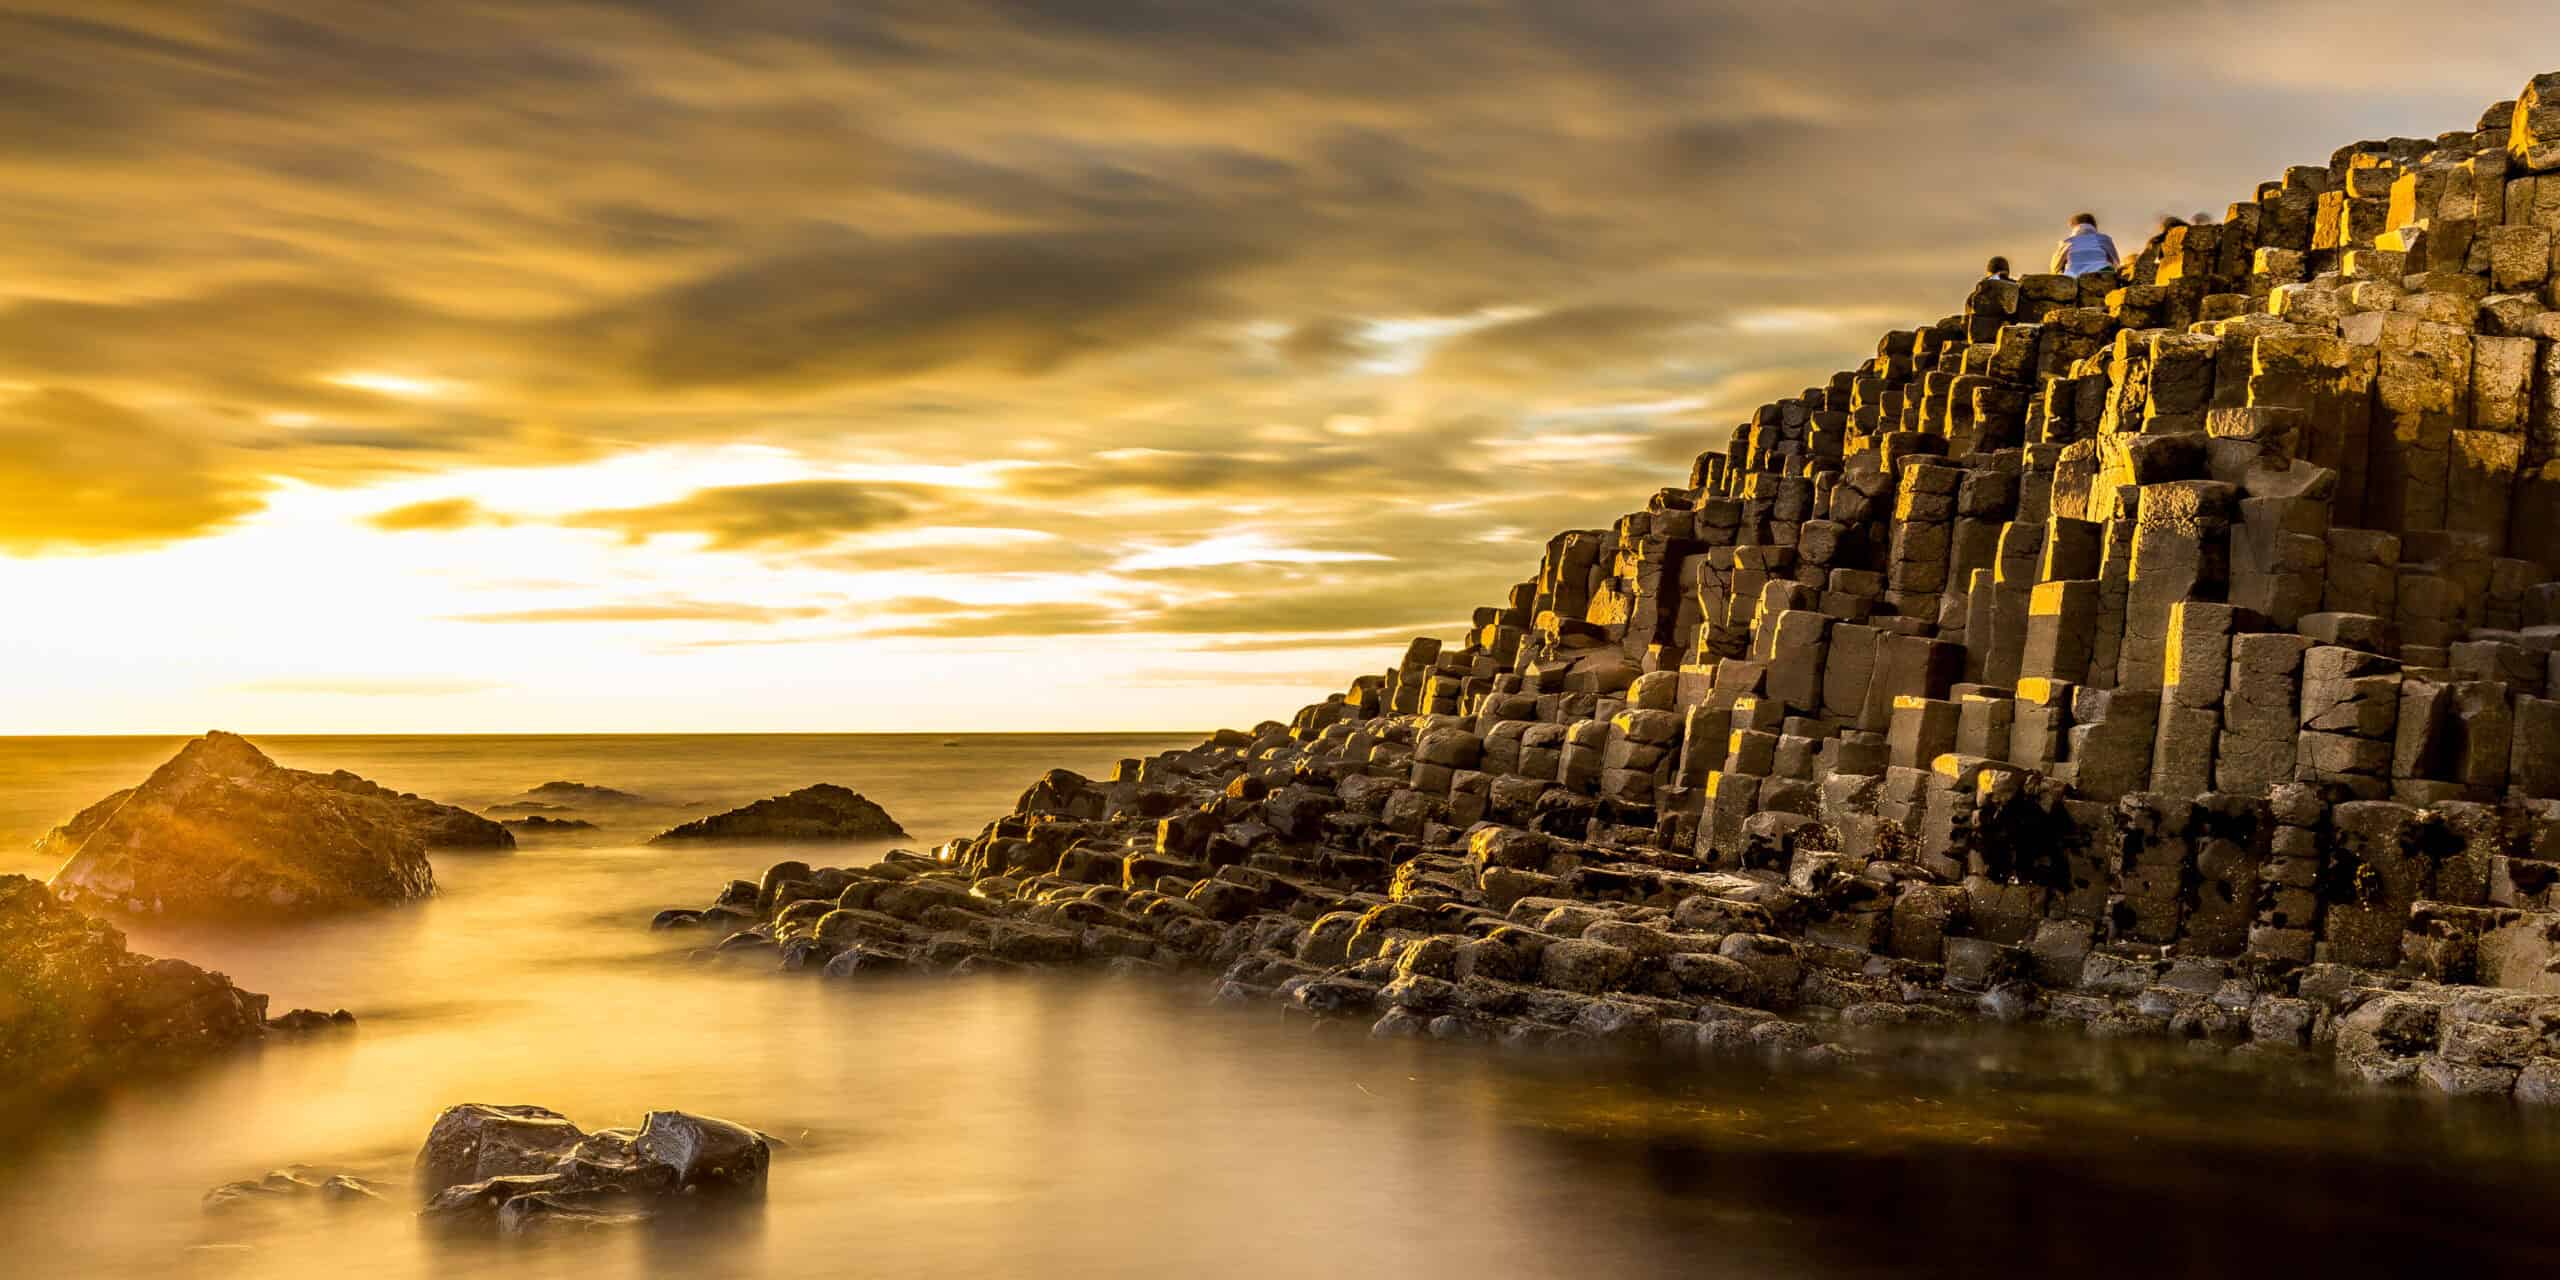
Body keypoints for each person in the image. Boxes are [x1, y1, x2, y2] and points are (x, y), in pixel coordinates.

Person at [2051, 213, 2120, 277]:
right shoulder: (2103, 238)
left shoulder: (2066, 242)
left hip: (2074, 275)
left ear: (2073, 226)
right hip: (2101, 271)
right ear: (2094, 225)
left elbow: (2055, 267)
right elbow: (2116, 262)